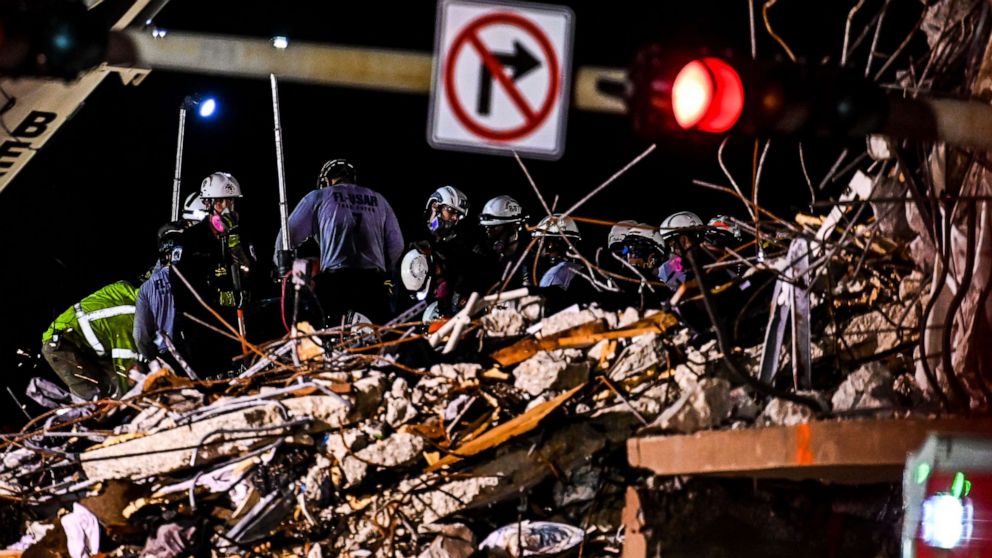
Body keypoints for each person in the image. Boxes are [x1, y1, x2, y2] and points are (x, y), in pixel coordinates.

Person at [275, 158, 404, 325]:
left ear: (326, 181)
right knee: (380, 339)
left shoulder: (320, 196)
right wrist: (385, 269)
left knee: (327, 337)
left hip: (335, 284)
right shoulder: (378, 199)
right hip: (373, 285)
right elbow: (397, 244)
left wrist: (282, 268)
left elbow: (286, 237)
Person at [171, 171, 255, 375]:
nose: (226, 209)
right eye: (220, 203)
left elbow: (250, 273)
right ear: (208, 204)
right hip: (201, 327)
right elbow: (181, 287)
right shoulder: (190, 239)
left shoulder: (242, 237)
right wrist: (216, 298)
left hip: (234, 324)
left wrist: (235, 243)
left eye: (231, 203)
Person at [41, 281, 139, 399]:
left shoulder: (124, 290)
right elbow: (127, 360)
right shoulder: (128, 318)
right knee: (95, 396)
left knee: (115, 385)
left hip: (86, 347)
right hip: (61, 344)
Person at [478, 195, 533, 290]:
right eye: (487, 228)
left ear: (514, 226)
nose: (489, 234)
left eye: (495, 227)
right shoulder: (486, 256)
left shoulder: (527, 261)